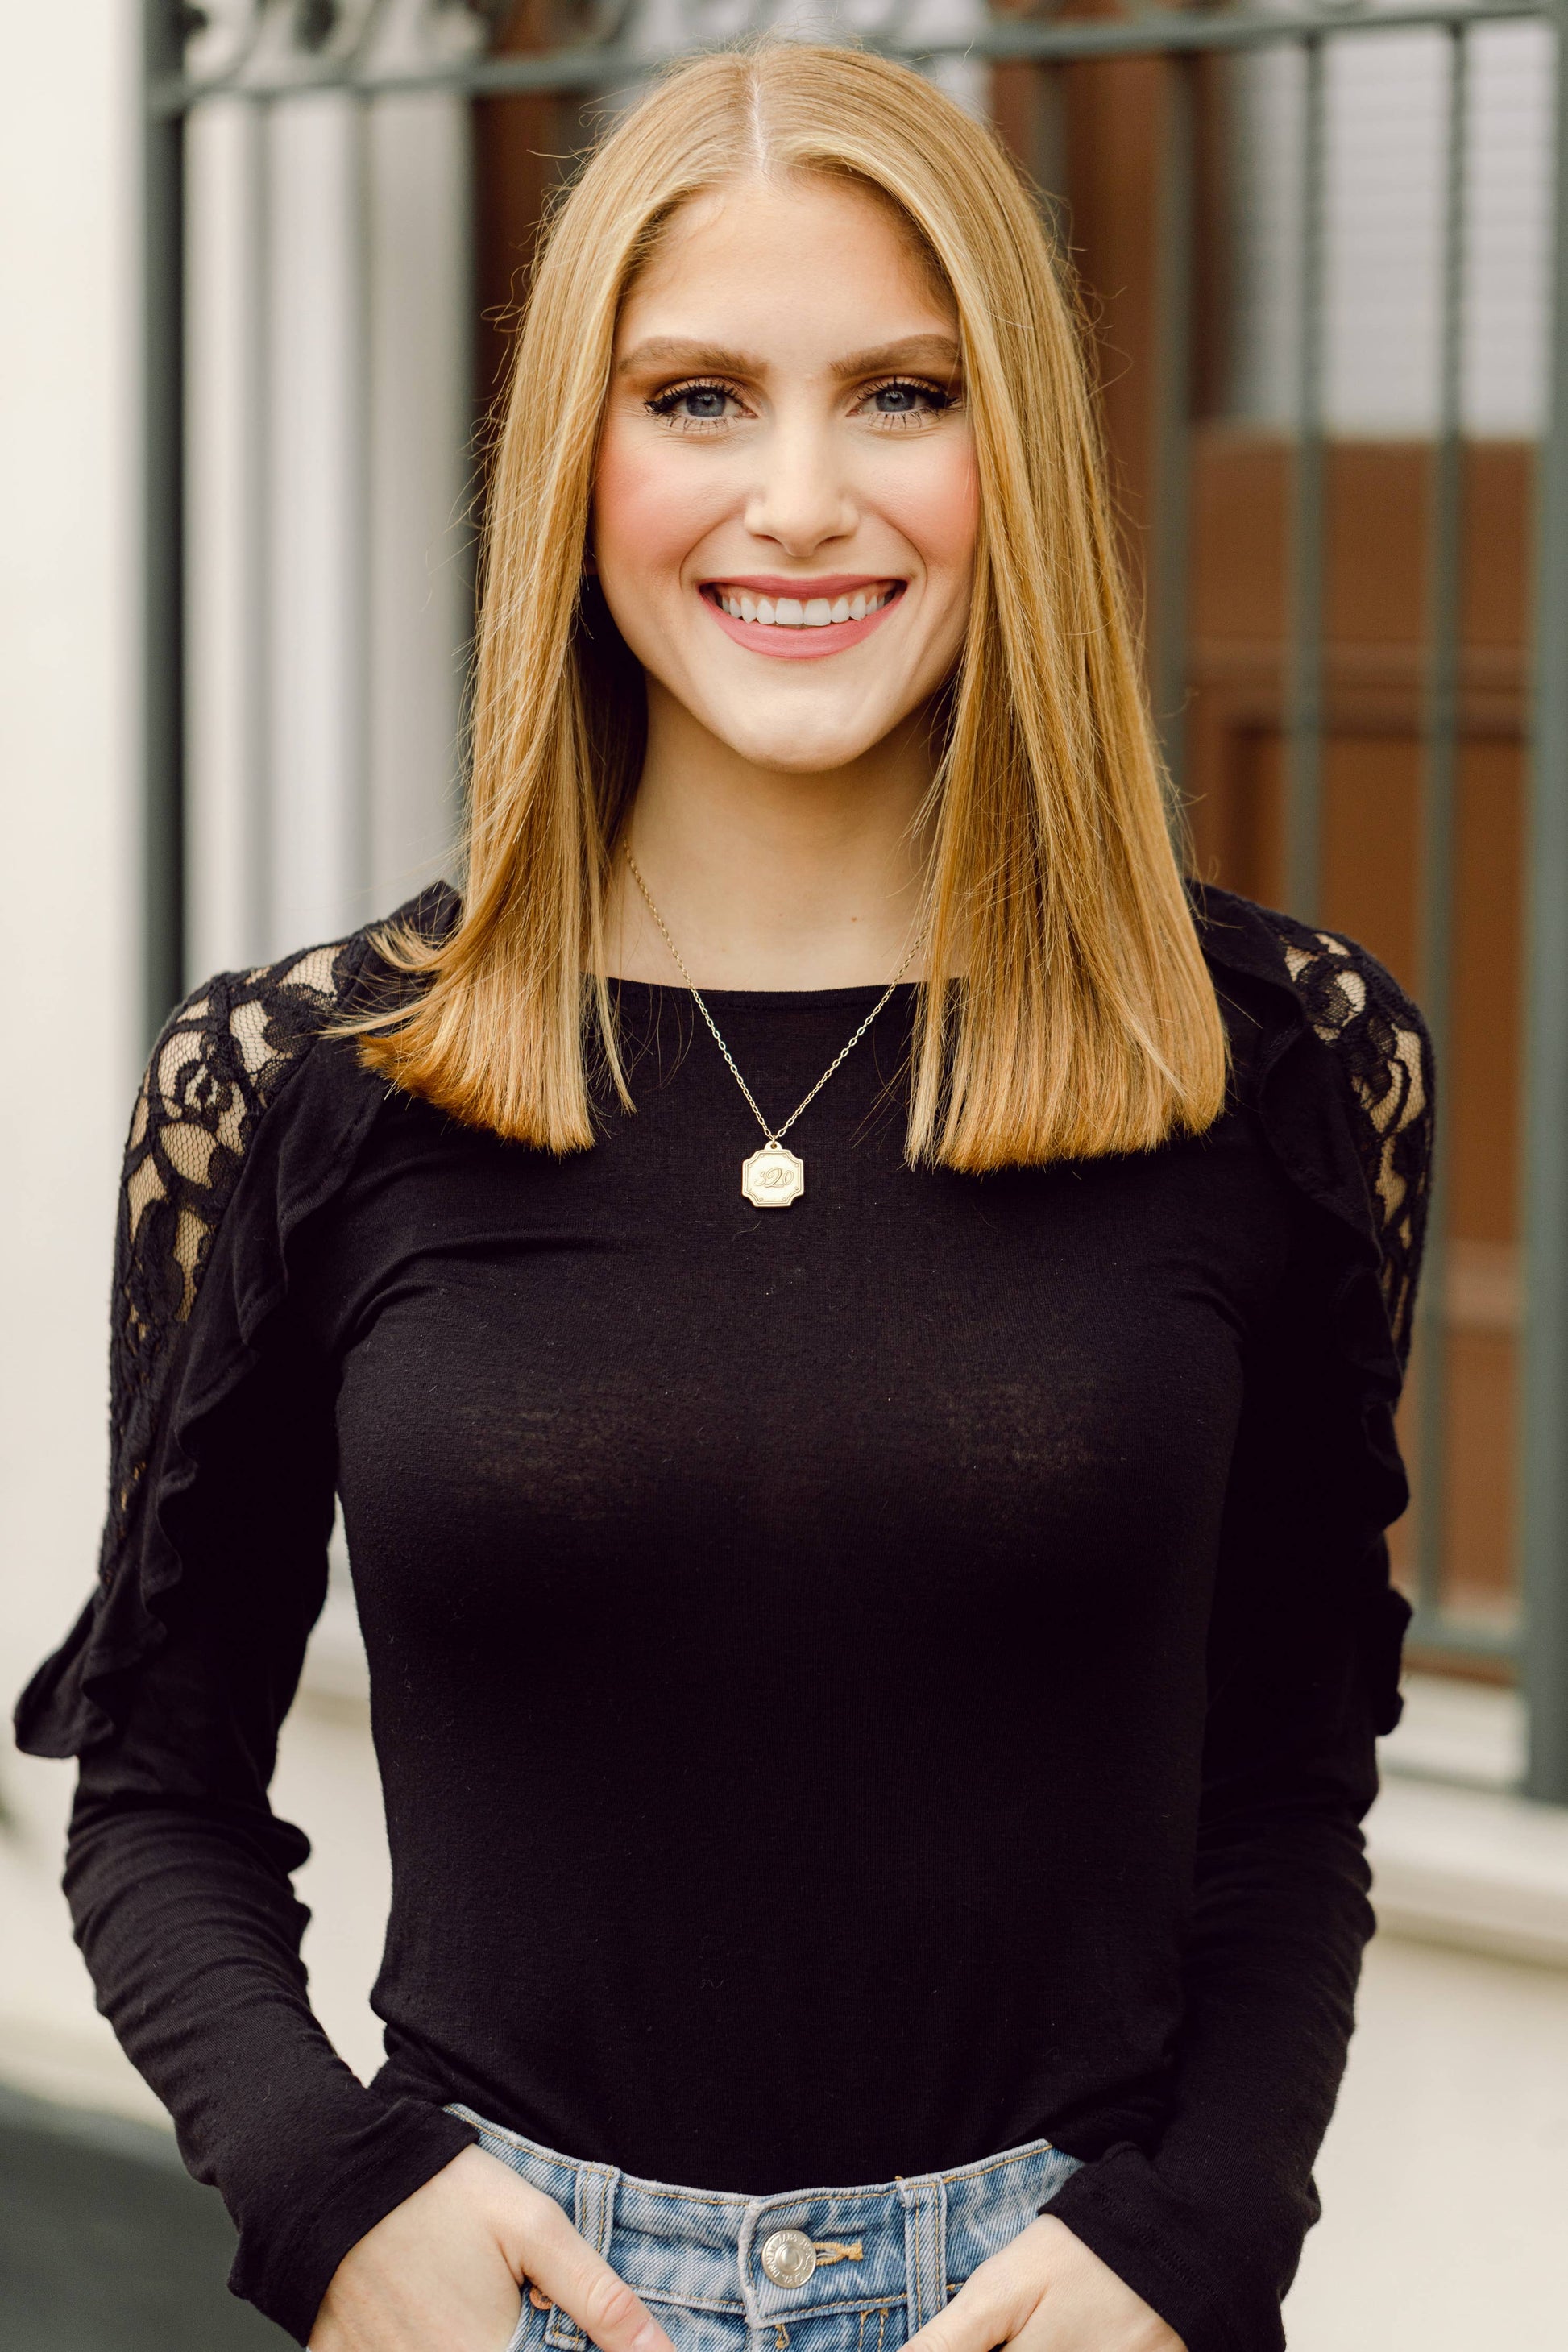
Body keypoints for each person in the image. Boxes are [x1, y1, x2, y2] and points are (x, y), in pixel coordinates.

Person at [15, 41, 1432, 2352]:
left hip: (1061, 2301)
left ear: (1020, 463)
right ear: (574, 457)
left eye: (899, 392)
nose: (798, 497)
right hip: (512, 2297)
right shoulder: (305, 1087)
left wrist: (1196, 2241)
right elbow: (154, 1789)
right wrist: (327, 2195)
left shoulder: (1269, 1069)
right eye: (694, 398)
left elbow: (1284, 1786)